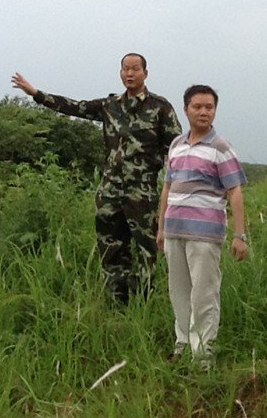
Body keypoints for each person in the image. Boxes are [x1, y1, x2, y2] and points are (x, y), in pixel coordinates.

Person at [11, 53, 182, 303]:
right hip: (110, 191)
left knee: (146, 248)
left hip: (142, 193)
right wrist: (36, 94)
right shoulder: (109, 105)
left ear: (146, 73)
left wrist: (177, 184)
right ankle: (117, 301)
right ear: (120, 73)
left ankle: (145, 302)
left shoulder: (160, 107)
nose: (130, 74)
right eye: (125, 69)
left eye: (135, 69)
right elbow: (74, 106)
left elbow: (176, 148)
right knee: (111, 246)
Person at [157, 84, 248, 367]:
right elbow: (167, 188)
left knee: (204, 293)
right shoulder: (176, 145)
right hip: (174, 231)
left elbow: (235, 191)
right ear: (186, 109)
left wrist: (240, 235)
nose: (204, 112)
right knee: (179, 291)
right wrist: (160, 228)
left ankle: (203, 355)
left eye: (209, 107)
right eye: (198, 106)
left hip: (205, 234)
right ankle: (182, 343)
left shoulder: (220, 148)